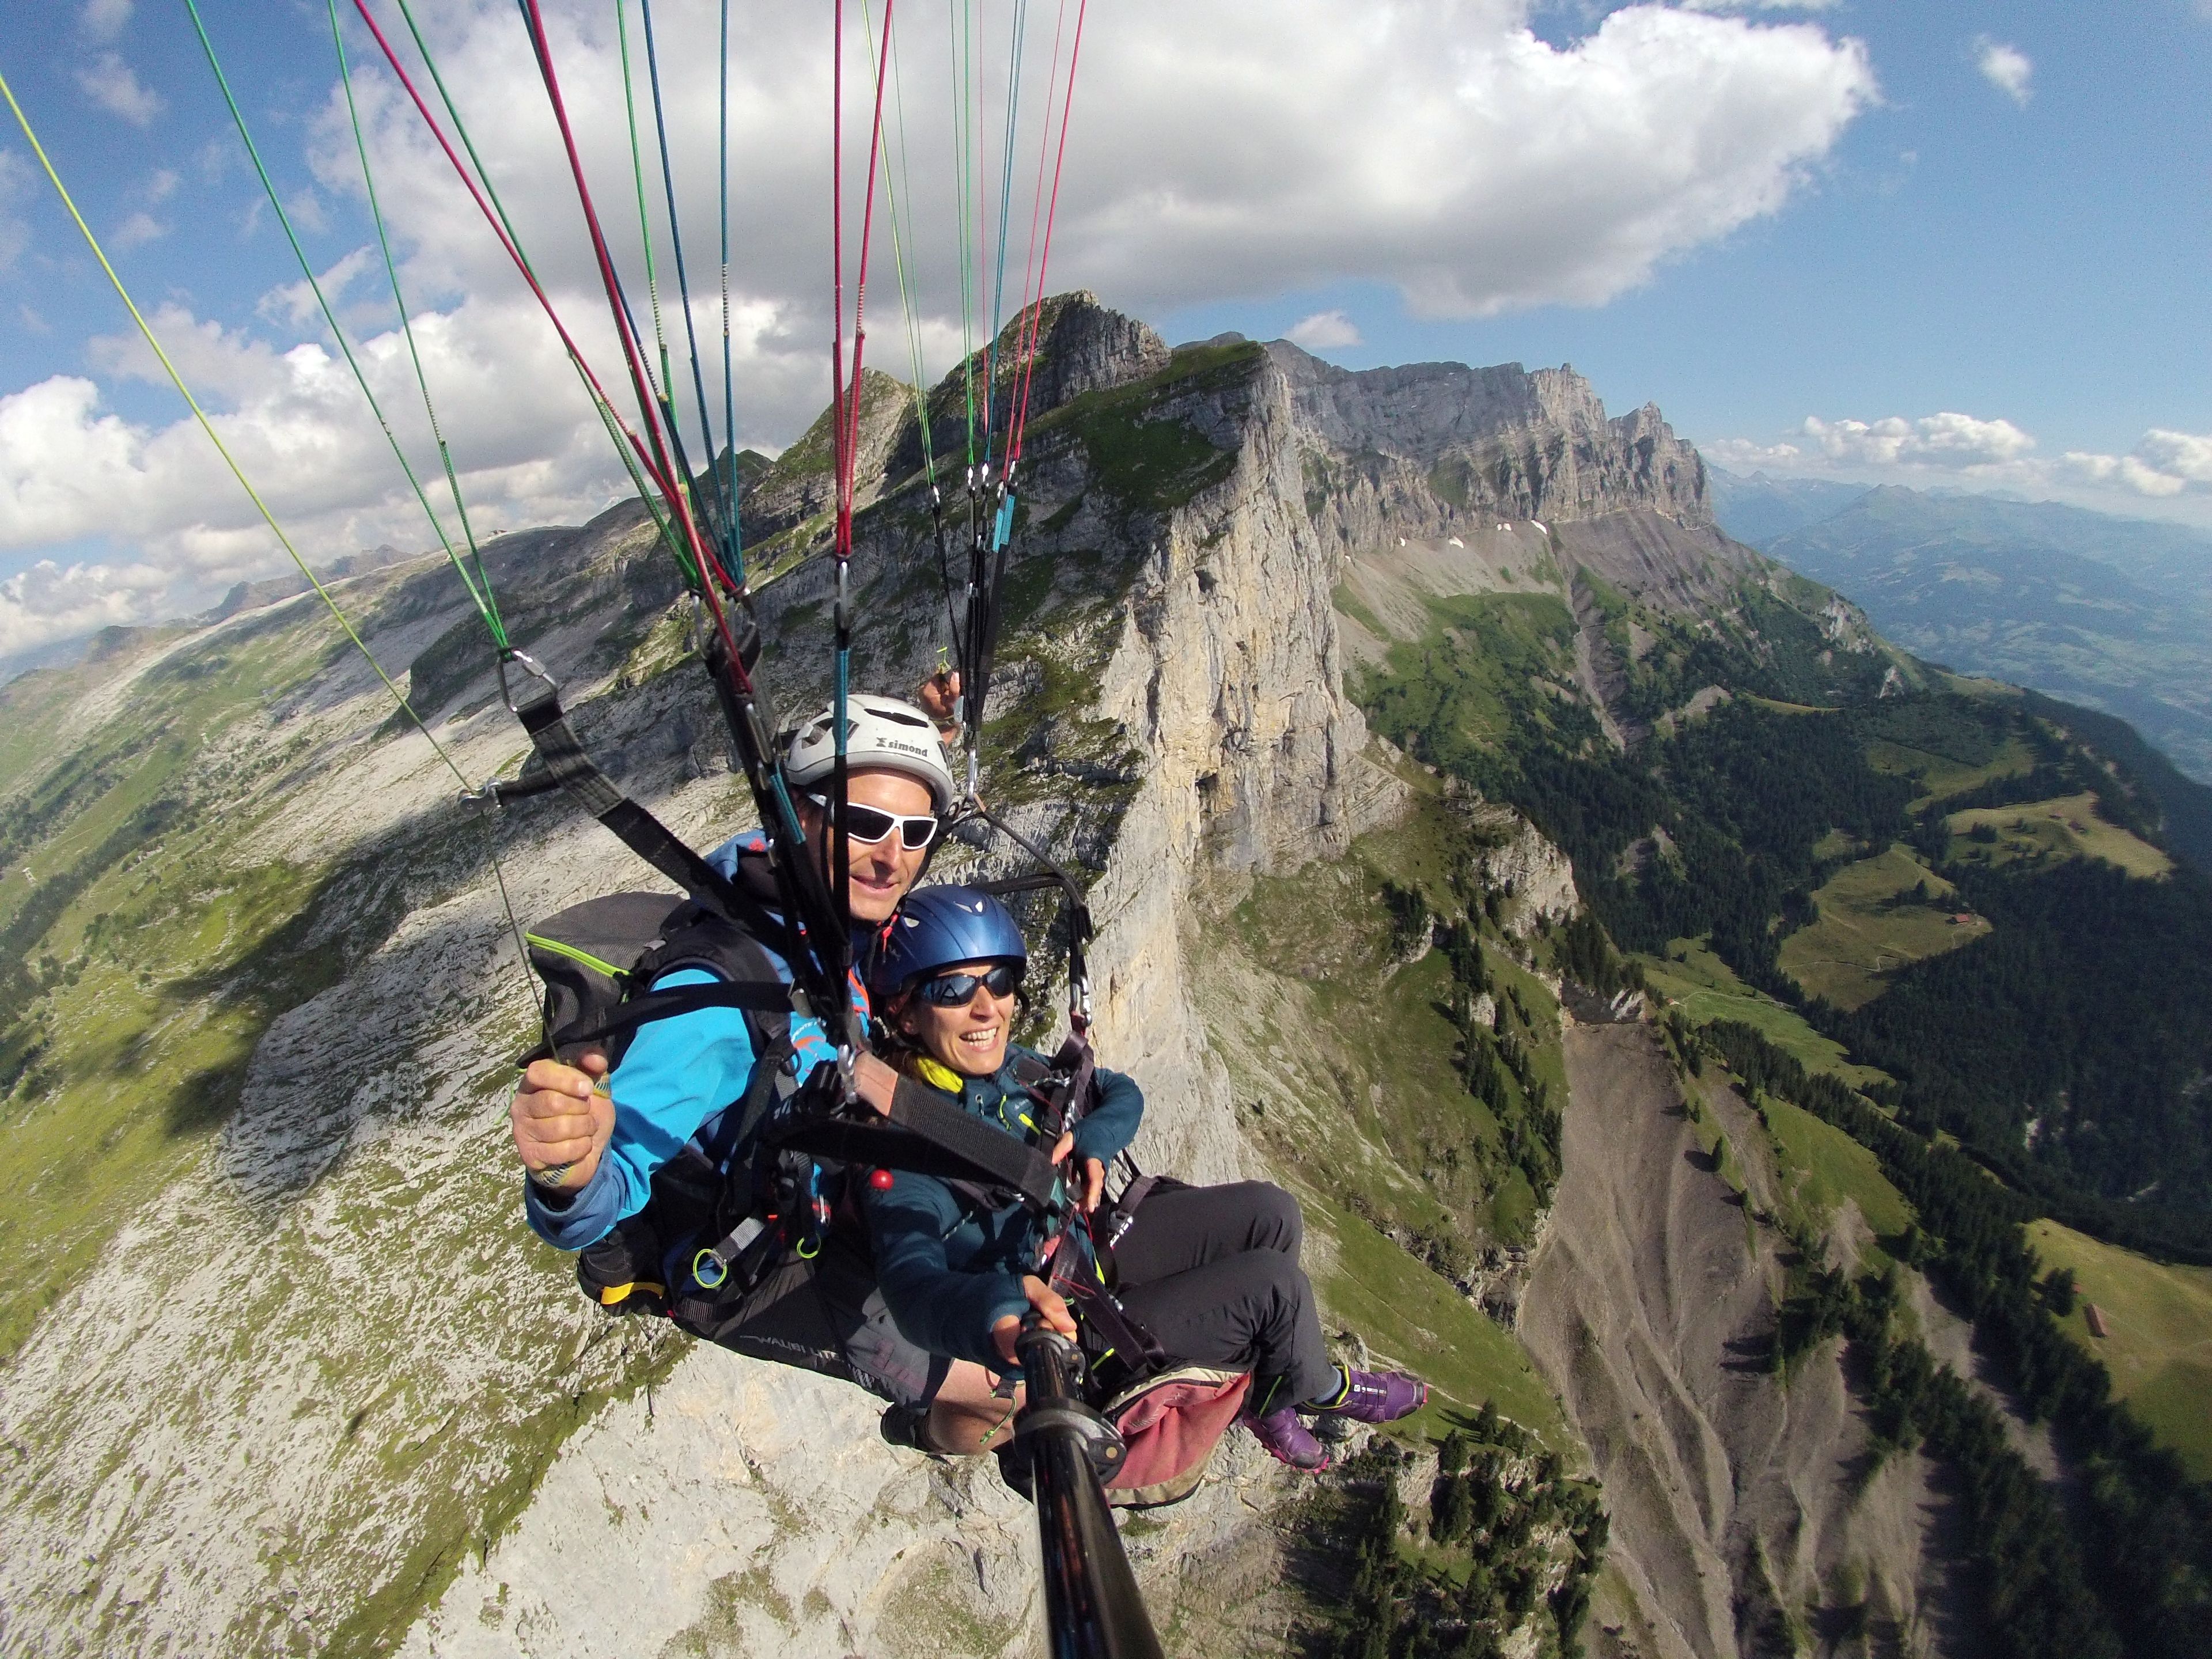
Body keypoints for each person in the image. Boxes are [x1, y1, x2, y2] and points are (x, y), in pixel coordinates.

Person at [506, 686, 1020, 1445]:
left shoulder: (802, 898)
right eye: (869, 824)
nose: (893, 856)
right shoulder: (716, 996)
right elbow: (599, 1196)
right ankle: (930, 1429)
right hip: (758, 1257)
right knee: (994, 1396)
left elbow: (863, 845)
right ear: (800, 817)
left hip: (824, 1174)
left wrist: (916, 744)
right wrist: (567, 1172)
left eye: (916, 831)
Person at [864, 884, 1429, 1468]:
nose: (987, 1009)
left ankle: (1271, 1396)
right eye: (953, 990)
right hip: (1070, 1326)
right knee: (1275, 1289)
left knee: (1273, 1210)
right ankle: (1323, 1389)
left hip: (1093, 1248)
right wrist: (997, 1311)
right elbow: (911, 1286)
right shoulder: (908, 1148)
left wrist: (1093, 1140)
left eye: (999, 982)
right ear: (905, 1011)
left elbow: (1116, 1091)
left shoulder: (1012, 1067)